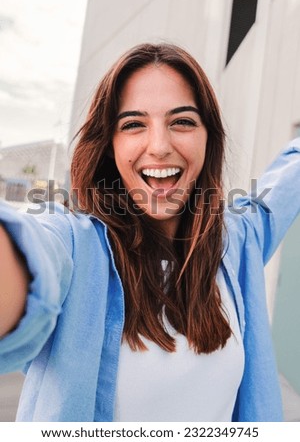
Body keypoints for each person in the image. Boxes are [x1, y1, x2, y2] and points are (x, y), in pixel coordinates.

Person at [0, 43, 299, 422]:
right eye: (133, 124)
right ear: (109, 145)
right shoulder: (76, 245)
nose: (159, 147)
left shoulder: (237, 240)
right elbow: (31, 255)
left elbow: (292, 174)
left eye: (182, 121)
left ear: (209, 138)